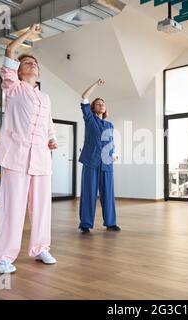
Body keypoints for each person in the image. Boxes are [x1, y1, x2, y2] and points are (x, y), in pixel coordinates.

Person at [0, 24, 58, 274]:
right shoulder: (14, 88)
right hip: (16, 157)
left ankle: (41, 248)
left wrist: (52, 139)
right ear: (18, 71)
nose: (32, 65)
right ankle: (3, 258)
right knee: (13, 208)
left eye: (35, 63)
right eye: (27, 62)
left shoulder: (45, 97)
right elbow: (9, 50)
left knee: (41, 208)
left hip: (41, 159)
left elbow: (49, 125)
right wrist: (29, 34)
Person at [78, 79, 120, 234]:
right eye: (98, 103)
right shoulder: (89, 119)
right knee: (89, 193)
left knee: (108, 193)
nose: (101, 105)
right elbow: (84, 97)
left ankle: (110, 223)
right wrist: (96, 84)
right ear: (93, 107)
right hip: (91, 162)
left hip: (107, 163)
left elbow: (111, 142)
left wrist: (114, 153)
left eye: (103, 103)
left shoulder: (109, 125)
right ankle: (85, 224)